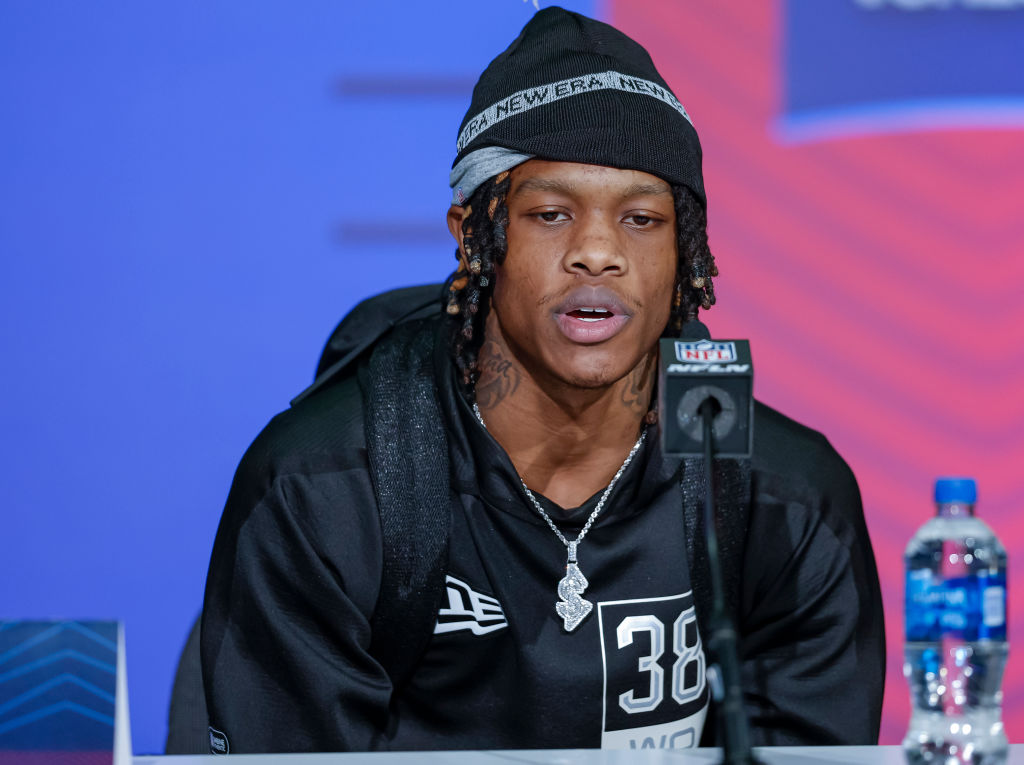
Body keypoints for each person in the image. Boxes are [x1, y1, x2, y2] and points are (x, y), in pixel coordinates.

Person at [200, 7, 885, 753]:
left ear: (687, 255)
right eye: (552, 214)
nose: (598, 252)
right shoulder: (323, 489)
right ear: (474, 238)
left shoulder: (783, 498)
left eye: (643, 220)